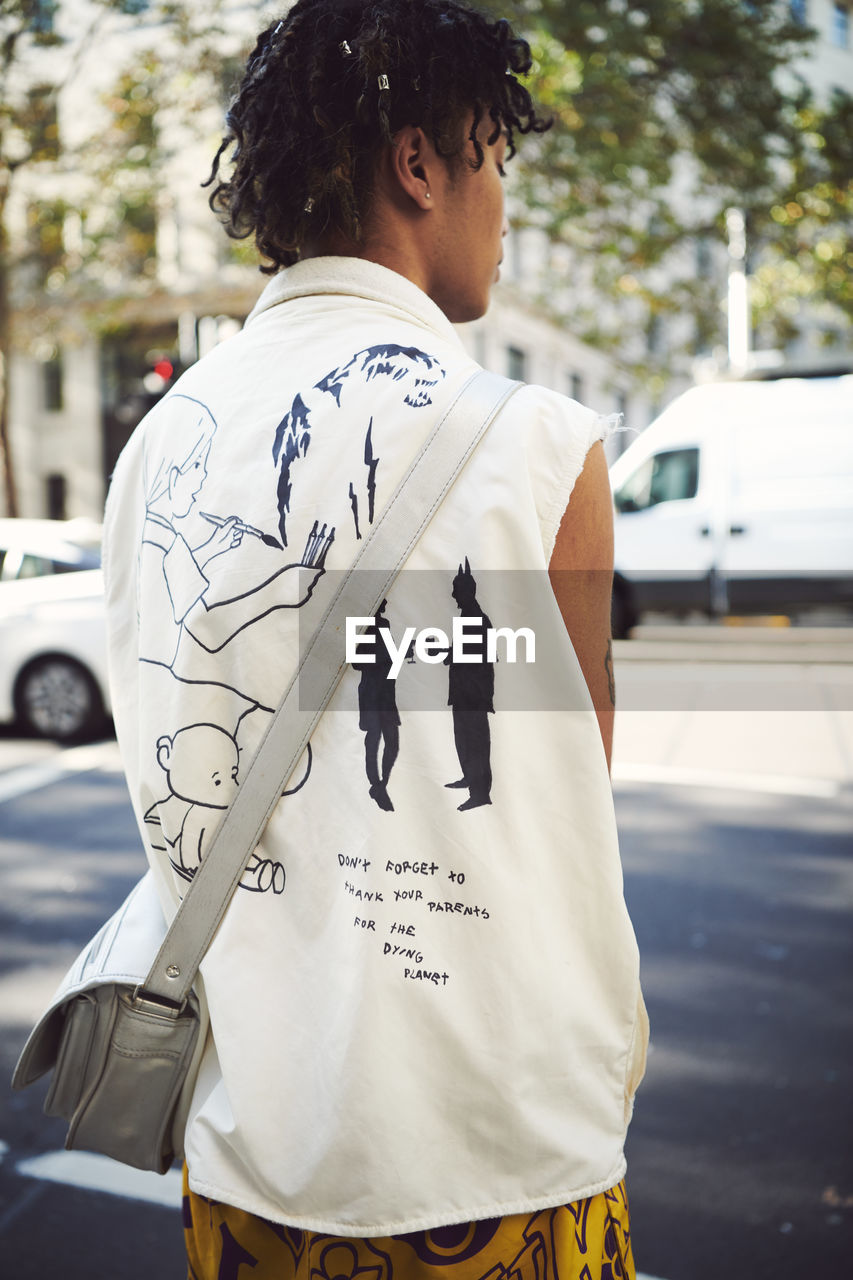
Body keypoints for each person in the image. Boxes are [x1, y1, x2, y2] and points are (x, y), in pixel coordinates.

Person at [102, 2, 649, 1277]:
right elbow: (569, 795)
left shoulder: (153, 452)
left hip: (250, 1152)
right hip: (493, 1153)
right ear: (419, 162)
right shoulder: (536, 444)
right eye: (496, 162)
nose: (505, 207)